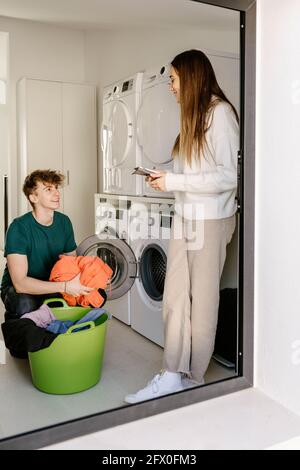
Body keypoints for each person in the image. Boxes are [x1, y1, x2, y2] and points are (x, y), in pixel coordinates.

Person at [124, 49, 239, 403]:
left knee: (201, 302)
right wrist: (164, 179)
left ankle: (191, 376)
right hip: (187, 218)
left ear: (191, 77)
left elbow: (227, 176)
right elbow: (193, 174)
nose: (171, 87)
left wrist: (173, 182)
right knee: (174, 295)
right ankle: (173, 371)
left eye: (173, 79)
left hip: (211, 219)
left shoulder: (220, 114)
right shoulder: (193, 116)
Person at [0, 169, 105, 355]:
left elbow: (73, 264)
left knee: (98, 294)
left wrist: (92, 279)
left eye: (56, 188)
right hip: (21, 289)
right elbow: (20, 283)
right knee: (25, 304)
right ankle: (20, 336)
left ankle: (58, 332)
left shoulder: (64, 222)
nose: (57, 193)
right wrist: (64, 287)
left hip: (56, 283)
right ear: (33, 197)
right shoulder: (19, 228)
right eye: (48, 189)